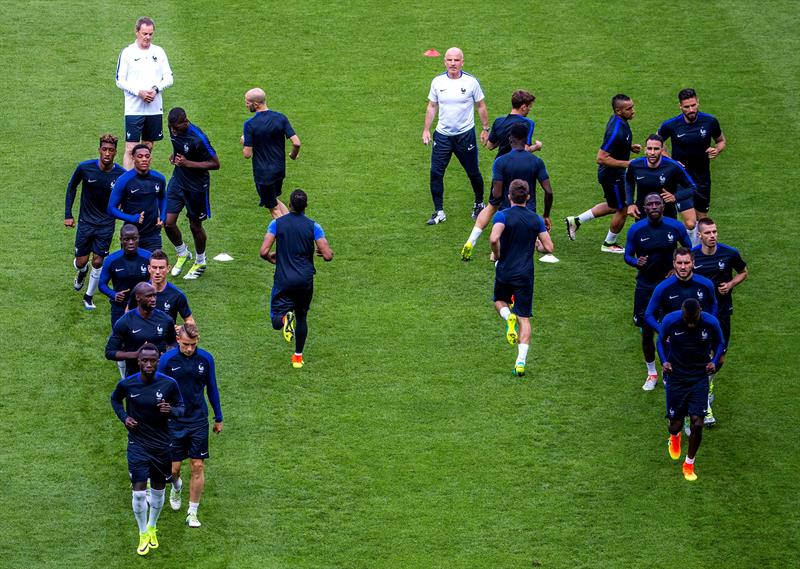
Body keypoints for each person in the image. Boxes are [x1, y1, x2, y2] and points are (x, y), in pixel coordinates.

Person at [111, 343, 184, 555]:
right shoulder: (128, 384)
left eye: (153, 360)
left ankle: (152, 526)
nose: (149, 364)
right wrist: (125, 418)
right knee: (139, 494)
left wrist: (171, 410)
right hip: (137, 444)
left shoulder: (169, 384)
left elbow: (181, 408)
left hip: (161, 445)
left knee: (159, 490)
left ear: (158, 361)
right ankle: (142, 532)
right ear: (139, 361)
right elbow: (115, 400)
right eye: (145, 360)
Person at [260, 189, 333, 368]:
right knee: (302, 316)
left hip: (284, 279)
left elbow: (263, 251)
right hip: (305, 280)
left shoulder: (277, 223)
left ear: (290, 205)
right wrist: (321, 252)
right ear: (305, 206)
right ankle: (298, 358)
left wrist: (272, 258)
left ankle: (285, 320)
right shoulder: (314, 226)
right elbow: (328, 255)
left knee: (276, 319)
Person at [624, 193, 691, 390]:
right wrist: (637, 262)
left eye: (657, 203)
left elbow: (689, 250)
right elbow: (627, 255)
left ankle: (668, 370)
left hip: (670, 287)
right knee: (646, 333)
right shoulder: (636, 229)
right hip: (645, 287)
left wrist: (676, 268)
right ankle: (651, 372)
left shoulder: (675, 227)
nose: (653, 206)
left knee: (670, 330)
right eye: (649, 204)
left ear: (663, 206)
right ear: (644, 208)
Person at [158, 324, 222, 528]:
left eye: (193, 345)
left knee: (197, 465)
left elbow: (212, 387)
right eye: (186, 345)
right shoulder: (167, 361)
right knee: (173, 470)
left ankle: (192, 513)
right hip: (174, 421)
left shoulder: (206, 359)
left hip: (198, 419)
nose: (189, 349)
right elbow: (158, 388)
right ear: (178, 340)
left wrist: (218, 416)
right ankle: (176, 488)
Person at [489, 179, 554, 376]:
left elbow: (493, 238)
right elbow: (548, 248)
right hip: (525, 274)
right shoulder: (536, 219)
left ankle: (508, 317)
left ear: (509, 196)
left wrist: (496, 254)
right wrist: (537, 245)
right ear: (528, 197)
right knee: (524, 319)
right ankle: (520, 362)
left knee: (500, 301)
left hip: (505, 271)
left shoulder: (502, 216)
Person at [462, 123, 553, 260]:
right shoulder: (537, 162)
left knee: (499, 255)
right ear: (526, 140)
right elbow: (549, 191)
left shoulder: (500, 162)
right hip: (529, 214)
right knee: (525, 252)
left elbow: (497, 194)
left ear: (510, 139)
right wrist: (546, 215)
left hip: (507, 215)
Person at [657, 299, 725, 481]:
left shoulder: (710, 322)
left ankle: (689, 463)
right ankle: (675, 436)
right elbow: (660, 342)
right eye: (688, 319)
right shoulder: (671, 320)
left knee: (697, 422)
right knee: (675, 424)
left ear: (700, 311)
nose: (691, 323)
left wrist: (715, 359)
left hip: (698, 377)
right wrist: (664, 361)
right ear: (682, 312)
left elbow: (720, 342)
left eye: (694, 319)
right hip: (677, 377)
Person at [565, 94, 641, 252]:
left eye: (632, 107)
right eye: (629, 109)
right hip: (612, 176)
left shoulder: (620, 120)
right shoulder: (616, 130)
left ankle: (576, 220)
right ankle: (608, 244)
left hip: (613, 174)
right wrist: (628, 163)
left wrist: (629, 147)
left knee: (614, 205)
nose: (633, 111)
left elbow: (616, 144)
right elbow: (601, 158)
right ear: (618, 111)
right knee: (624, 208)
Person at [422, 47, 490, 225]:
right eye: (450, 60)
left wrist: (485, 128)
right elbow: (432, 106)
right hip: (443, 136)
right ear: (444, 61)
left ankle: (478, 204)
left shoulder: (471, 82)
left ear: (462, 62)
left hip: (465, 136)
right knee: (435, 173)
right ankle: (439, 212)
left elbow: (481, 105)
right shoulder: (437, 82)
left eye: (456, 60)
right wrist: (426, 129)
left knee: (473, 172)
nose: (453, 63)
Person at [691, 218, 748, 425]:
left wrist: (731, 284)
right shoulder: (693, 257)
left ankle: (709, 382)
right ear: (700, 235)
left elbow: (743, 272)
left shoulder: (729, 253)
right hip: (699, 317)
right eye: (708, 233)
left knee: (720, 358)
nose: (713, 235)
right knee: (702, 357)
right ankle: (704, 403)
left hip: (722, 313)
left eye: (715, 231)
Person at [65, 134, 126, 310]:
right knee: (81, 262)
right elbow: (71, 187)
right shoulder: (85, 168)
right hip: (86, 222)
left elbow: (126, 195)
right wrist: (68, 214)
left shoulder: (121, 174)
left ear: (115, 152)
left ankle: (88, 297)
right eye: (104, 149)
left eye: (111, 150)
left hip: (106, 224)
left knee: (98, 261)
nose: (107, 153)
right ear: (99, 150)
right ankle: (82, 272)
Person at [163, 107, 220, 279]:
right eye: (171, 127)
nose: (173, 131)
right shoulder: (172, 127)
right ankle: (182, 253)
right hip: (178, 181)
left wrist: (188, 163)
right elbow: (178, 147)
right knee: (167, 222)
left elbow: (216, 164)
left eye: (177, 128)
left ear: (186, 122)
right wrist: (175, 157)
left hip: (196, 186)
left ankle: (200, 260)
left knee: (195, 226)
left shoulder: (198, 138)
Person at [115, 17, 173, 170]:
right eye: (144, 33)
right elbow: (119, 80)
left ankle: (142, 182)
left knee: (147, 147)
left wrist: (155, 89)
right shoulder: (127, 53)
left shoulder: (159, 52)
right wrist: (138, 92)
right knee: (130, 149)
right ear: (137, 32)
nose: (147, 37)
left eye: (150, 34)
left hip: (154, 109)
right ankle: (128, 184)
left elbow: (169, 78)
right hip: (134, 109)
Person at [658, 88, 727, 218]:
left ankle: (696, 239)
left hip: (702, 177)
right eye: (686, 107)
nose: (691, 110)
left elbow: (721, 140)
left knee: (702, 217)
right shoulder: (671, 125)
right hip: (680, 177)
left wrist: (717, 149)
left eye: (693, 105)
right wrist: (670, 160)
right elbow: (656, 143)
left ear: (698, 102)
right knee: (690, 221)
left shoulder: (710, 121)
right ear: (680, 106)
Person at [625, 134, 698, 243]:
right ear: (645, 149)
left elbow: (692, 188)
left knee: (667, 246)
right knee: (644, 247)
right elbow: (629, 181)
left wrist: (675, 197)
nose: (652, 153)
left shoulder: (673, 166)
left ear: (662, 150)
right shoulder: (635, 165)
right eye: (649, 149)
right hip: (643, 213)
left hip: (667, 214)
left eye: (656, 149)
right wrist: (630, 203)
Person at [242, 87, 301, 219]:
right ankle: (293, 223)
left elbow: (247, 154)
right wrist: (293, 155)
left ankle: (288, 236)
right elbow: (296, 142)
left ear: (255, 104)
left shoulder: (250, 124)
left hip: (263, 174)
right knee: (274, 199)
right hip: (279, 170)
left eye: (247, 102)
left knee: (274, 209)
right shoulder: (281, 118)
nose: (246, 105)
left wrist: (244, 141)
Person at [106, 282, 177, 377]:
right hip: (134, 376)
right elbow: (110, 352)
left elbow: (172, 342)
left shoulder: (166, 320)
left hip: (160, 376)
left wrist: (167, 355)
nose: (153, 299)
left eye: (154, 296)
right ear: (138, 297)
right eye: (149, 296)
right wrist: (135, 354)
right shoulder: (125, 321)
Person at [108, 144, 167, 251]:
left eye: (147, 156)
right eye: (140, 156)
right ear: (133, 158)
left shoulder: (159, 178)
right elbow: (111, 209)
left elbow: (162, 197)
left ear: (151, 158)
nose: (144, 159)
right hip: (131, 235)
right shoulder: (124, 180)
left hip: (153, 234)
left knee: (155, 264)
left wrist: (163, 216)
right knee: (131, 266)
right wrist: (132, 218)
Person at [644, 247, 718, 333]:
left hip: (700, 336)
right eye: (679, 263)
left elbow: (714, 303)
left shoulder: (706, 284)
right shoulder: (662, 287)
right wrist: (662, 331)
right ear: (674, 263)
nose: (683, 267)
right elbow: (648, 314)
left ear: (693, 263)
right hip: (674, 338)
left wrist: (712, 324)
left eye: (686, 263)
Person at [99, 224, 152, 328]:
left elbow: (156, 280)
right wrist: (113, 294)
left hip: (143, 306)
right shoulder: (111, 260)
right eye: (127, 239)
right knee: (120, 340)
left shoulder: (148, 257)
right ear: (121, 240)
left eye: (134, 239)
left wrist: (147, 293)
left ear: (139, 238)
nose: (131, 242)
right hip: (119, 307)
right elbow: (101, 284)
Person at [127, 250, 194, 326]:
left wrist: (181, 328)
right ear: (149, 269)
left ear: (168, 269)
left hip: (166, 337)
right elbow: (127, 314)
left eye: (161, 268)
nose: (157, 272)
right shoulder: (139, 291)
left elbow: (190, 320)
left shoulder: (177, 295)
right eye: (154, 267)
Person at [486, 89, 542, 157]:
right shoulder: (528, 123)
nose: (530, 109)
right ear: (523, 107)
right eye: (529, 106)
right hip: (517, 164)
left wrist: (502, 137)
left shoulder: (498, 121)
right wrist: (537, 147)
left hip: (500, 163)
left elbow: (490, 146)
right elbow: (525, 150)